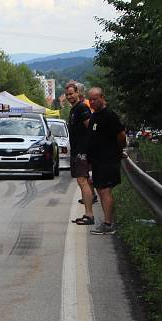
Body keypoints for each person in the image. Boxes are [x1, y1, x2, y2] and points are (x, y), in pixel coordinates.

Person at [86, 87, 126, 235]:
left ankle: (108, 223)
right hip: (97, 160)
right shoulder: (95, 115)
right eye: (90, 99)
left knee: (105, 190)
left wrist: (118, 150)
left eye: (95, 99)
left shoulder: (109, 115)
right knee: (100, 189)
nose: (92, 102)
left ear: (102, 97)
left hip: (107, 159)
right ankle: (107, 221)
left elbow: (121, 135)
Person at [65, 82, 95, 225]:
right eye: (67, 94)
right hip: (77, 150)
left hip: (82, 151)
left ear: (78, 93)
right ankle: (87, 213)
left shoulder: (82, 108)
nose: (69, 96)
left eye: (71, 93)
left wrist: (88, 148)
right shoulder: (74, 109)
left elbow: (90, 128)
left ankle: (89, 215)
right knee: (83, 181)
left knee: (82, 181)